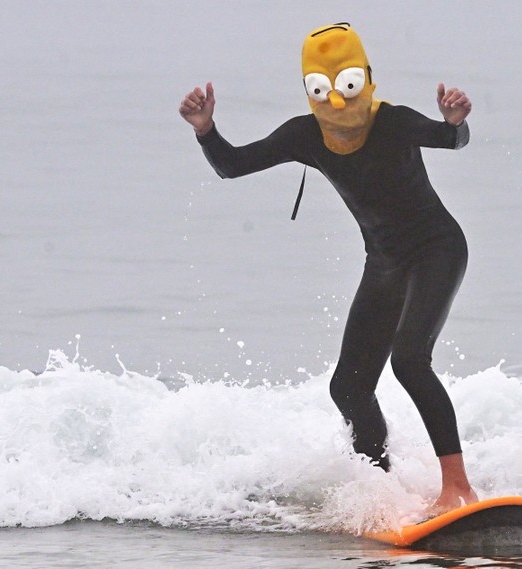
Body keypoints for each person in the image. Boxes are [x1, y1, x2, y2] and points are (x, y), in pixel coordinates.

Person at [179, 23, 477, 513]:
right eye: (323, 89)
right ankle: (384, 492)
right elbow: (232, 165)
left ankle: (458, 488)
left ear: (366, 78)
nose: (337, 101)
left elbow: (451, 140)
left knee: (408, 361)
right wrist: (206, 131)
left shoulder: (394, 121)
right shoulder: (306, 135)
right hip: (384, 262)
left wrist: (454, 122)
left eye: (347, 85)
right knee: (349, 387)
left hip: (437, 251)